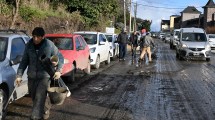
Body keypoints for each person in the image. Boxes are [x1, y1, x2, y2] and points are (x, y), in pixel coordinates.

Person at [15, 27, 64, 120]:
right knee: (34, 97)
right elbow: (24, 61)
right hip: (32, 76)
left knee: (39, 97)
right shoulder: (29, 45)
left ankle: (35, 117)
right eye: (33, 36)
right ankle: (46, 108)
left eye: (38, 37)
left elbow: (60, 57)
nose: (35, 39)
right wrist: (19, 75)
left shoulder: (49, 45)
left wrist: (58, 70)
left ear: (42, 37)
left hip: (44, 77)